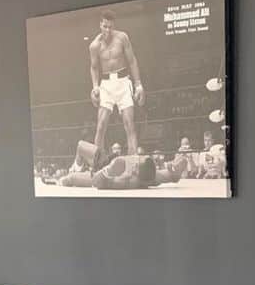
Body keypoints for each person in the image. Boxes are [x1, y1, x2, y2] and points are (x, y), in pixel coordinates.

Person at [89, 10, 145, 156]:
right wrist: (95, 87)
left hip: (123, 82)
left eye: (110, 27)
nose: (108, 30)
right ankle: (97, 163)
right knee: (101, 125)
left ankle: (133, 161)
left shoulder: (122, 37)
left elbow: (132, 60)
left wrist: (138, 84)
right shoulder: (94, 46)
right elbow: (94, 67)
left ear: (114, 26)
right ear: (100, 24)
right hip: (106, 84)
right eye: (105, 26)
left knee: (129, 124)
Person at [57, 140, 186, 190]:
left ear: (136, 172)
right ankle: (76, 168)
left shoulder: (125, 180)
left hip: (100, 172)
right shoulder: (151, 174)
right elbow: (172, 176)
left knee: (70, 178)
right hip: (108, 161)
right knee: (81, 145)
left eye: (137, 164)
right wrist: (174, 168)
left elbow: (97, 182)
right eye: (139, 159)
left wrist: (109, 170)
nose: (136, 160)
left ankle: (72, 171)